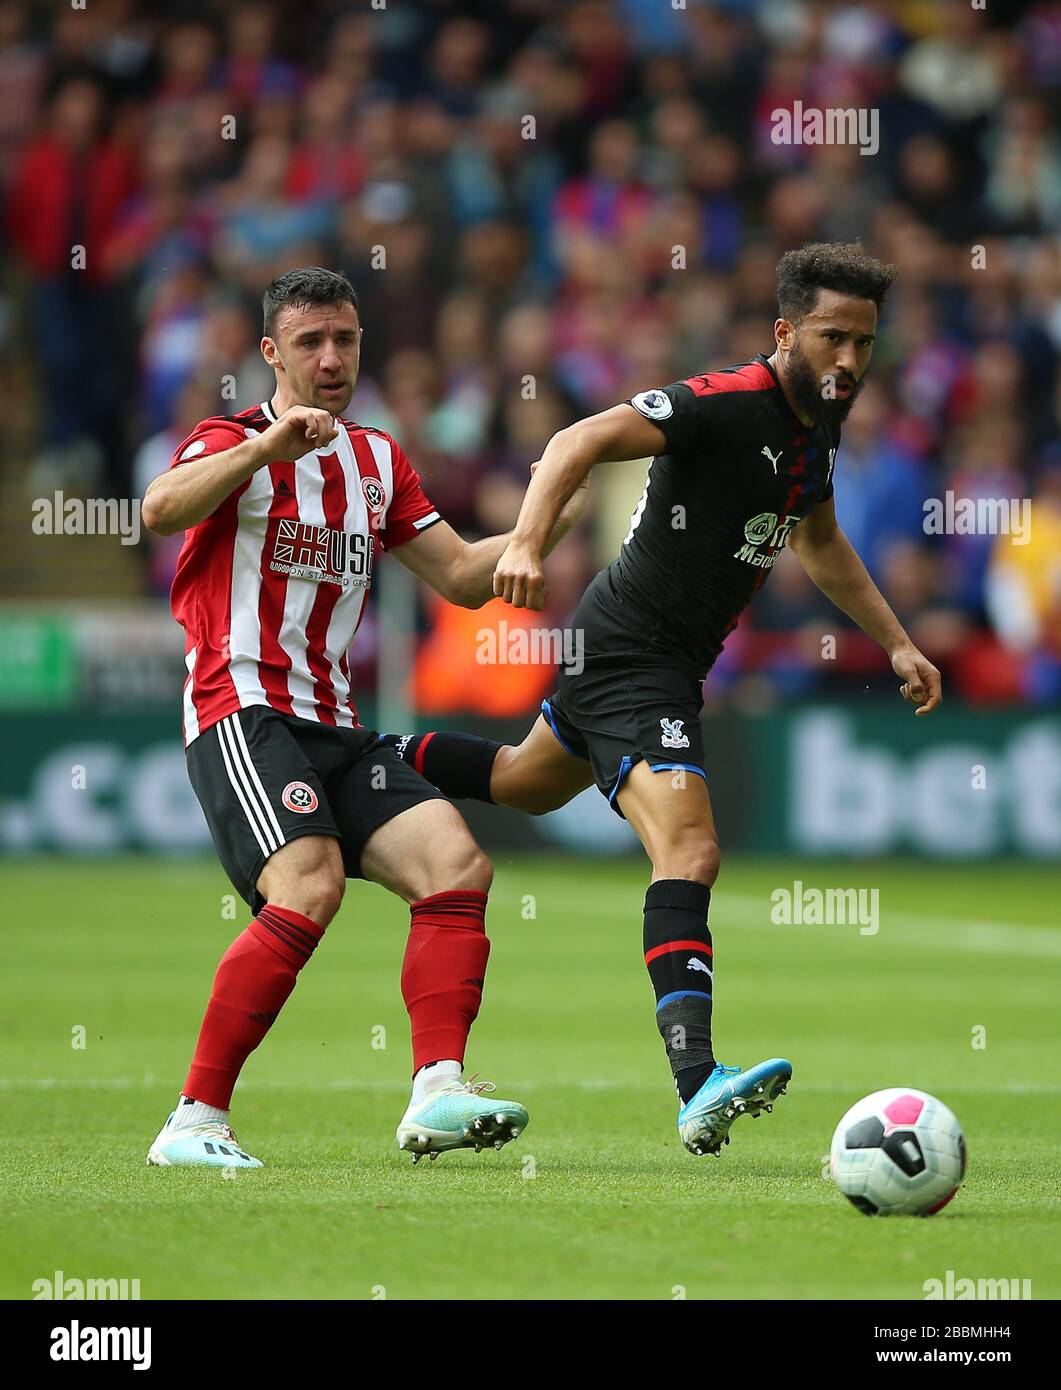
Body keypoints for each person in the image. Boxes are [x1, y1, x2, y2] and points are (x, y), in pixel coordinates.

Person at [381, 243, 943, 1159]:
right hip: (633, 651)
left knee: (524, 783)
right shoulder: (725, 401)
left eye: (863, 343)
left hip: (660, 657)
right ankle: (697, 1082)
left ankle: (369, 757)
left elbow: (819, 540)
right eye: (831, 337)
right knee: (690, 848)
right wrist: (523, 543)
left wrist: (896, 641)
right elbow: (576, 440)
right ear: (784, 332)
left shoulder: (818, 426)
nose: (847, 360)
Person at [140, 266, 582, 1167]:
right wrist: (266, 451)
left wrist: (548, 516)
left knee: (456, 865)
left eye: (344, 339)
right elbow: (159, 509)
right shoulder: (229, 440)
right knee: (310, 886)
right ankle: (193, 1121)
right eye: (310, 342)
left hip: (336, 724)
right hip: (243, 710)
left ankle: (437, 1089)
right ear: (272, 353)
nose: (331, 358)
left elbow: (461, 576)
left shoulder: (376, 460)